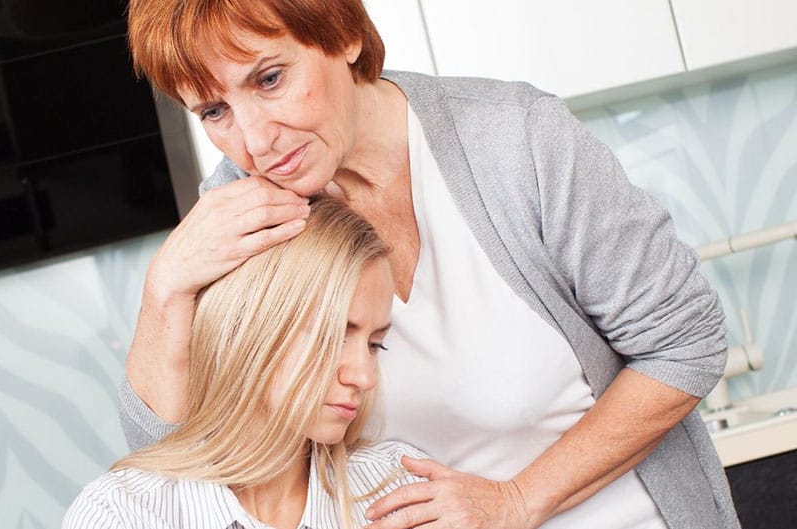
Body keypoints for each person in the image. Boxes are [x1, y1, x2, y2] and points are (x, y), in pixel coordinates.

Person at [119, 1, 740, 528]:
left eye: (270, 79)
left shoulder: (515, 140)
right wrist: (165, 290)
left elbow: (685, 343)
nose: (255, 142)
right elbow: (176, 480)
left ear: (344, 36)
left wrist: (514, 502)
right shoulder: (240, 212)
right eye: (214, 112)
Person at [63, 197, 427, 529]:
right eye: (330, 338)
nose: (363, 376)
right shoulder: (124, 513)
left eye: (376, 344)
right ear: (249, 329)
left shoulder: (400, 486)